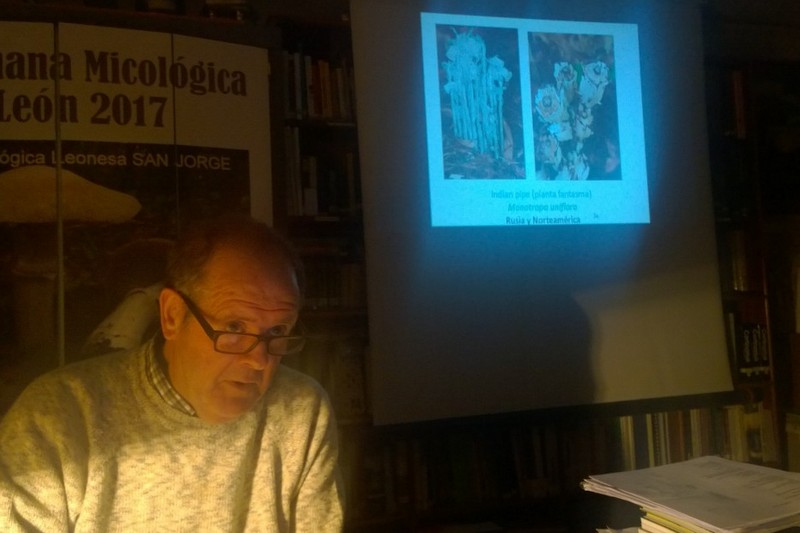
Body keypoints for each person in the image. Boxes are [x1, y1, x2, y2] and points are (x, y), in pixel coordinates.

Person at [0, 214, 344, 532]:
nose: (259, 360)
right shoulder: (58, 416)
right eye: (234, 326)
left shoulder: (301, 410)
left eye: (278, 331)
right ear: (172, 316)